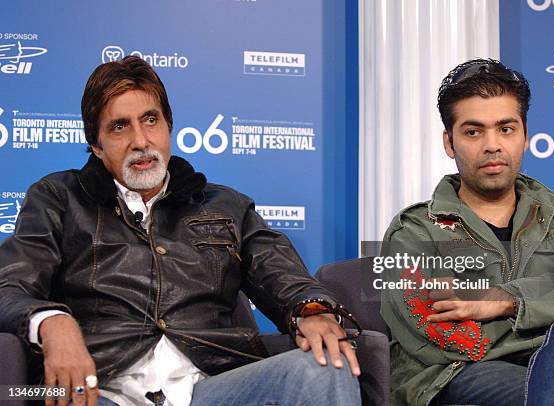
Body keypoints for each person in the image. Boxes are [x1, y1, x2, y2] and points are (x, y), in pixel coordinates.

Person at [0, 55, 361, 406]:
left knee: (327, 364)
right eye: (119, 126)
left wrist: (312, 309)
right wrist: (53, 323)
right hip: (102, 386)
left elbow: (284, 276)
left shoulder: (225, 206)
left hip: (210, 386)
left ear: (168, 127)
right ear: (96, 146)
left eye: (150, 120)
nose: (140, 141)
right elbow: (10, 286)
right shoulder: (58, 199)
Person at [380, 58, 554, 406]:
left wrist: (504, 300)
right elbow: (436, 330)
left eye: (506, 129)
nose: (492, 145)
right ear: (449, 142)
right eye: (473, 131)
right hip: (458, 374)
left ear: (525, 136)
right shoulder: (412, 231)